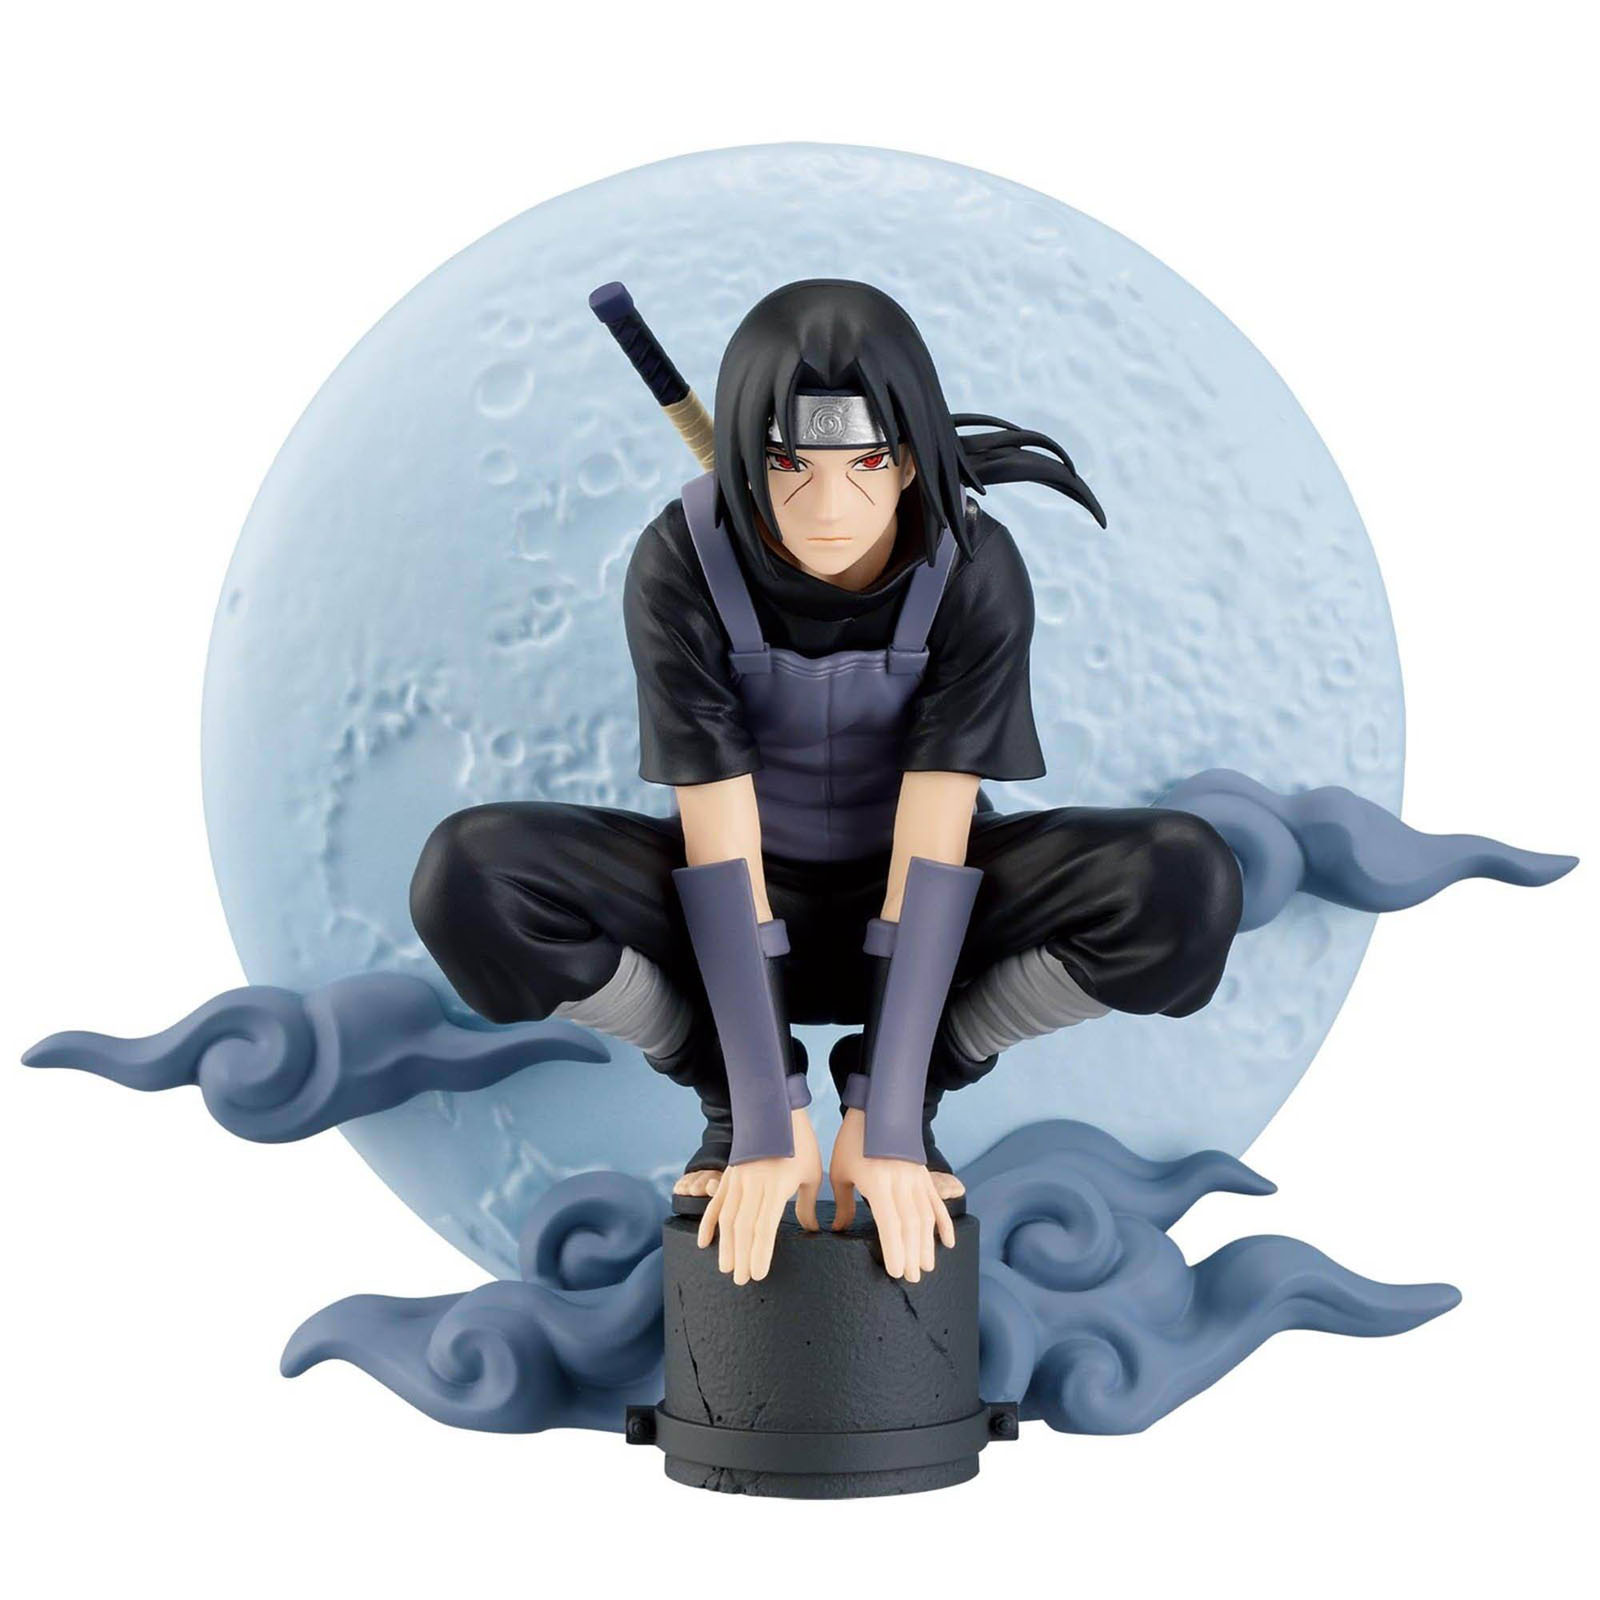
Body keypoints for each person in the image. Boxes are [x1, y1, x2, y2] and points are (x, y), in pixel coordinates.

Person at [410, 280, 1242, 1289]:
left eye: (868, 462)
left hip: (933, 913)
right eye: (788, 464)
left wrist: (888, 1116)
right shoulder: (681, 560)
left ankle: (929, 1073)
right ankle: (716, 1079)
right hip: (723, 909)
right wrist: (761, 1117)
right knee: (470, 878)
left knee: (1184, 883)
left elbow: (934, 839)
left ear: (912, 456)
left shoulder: (972, 564)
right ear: (748, 455)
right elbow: (719, 840)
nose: (830, 505)